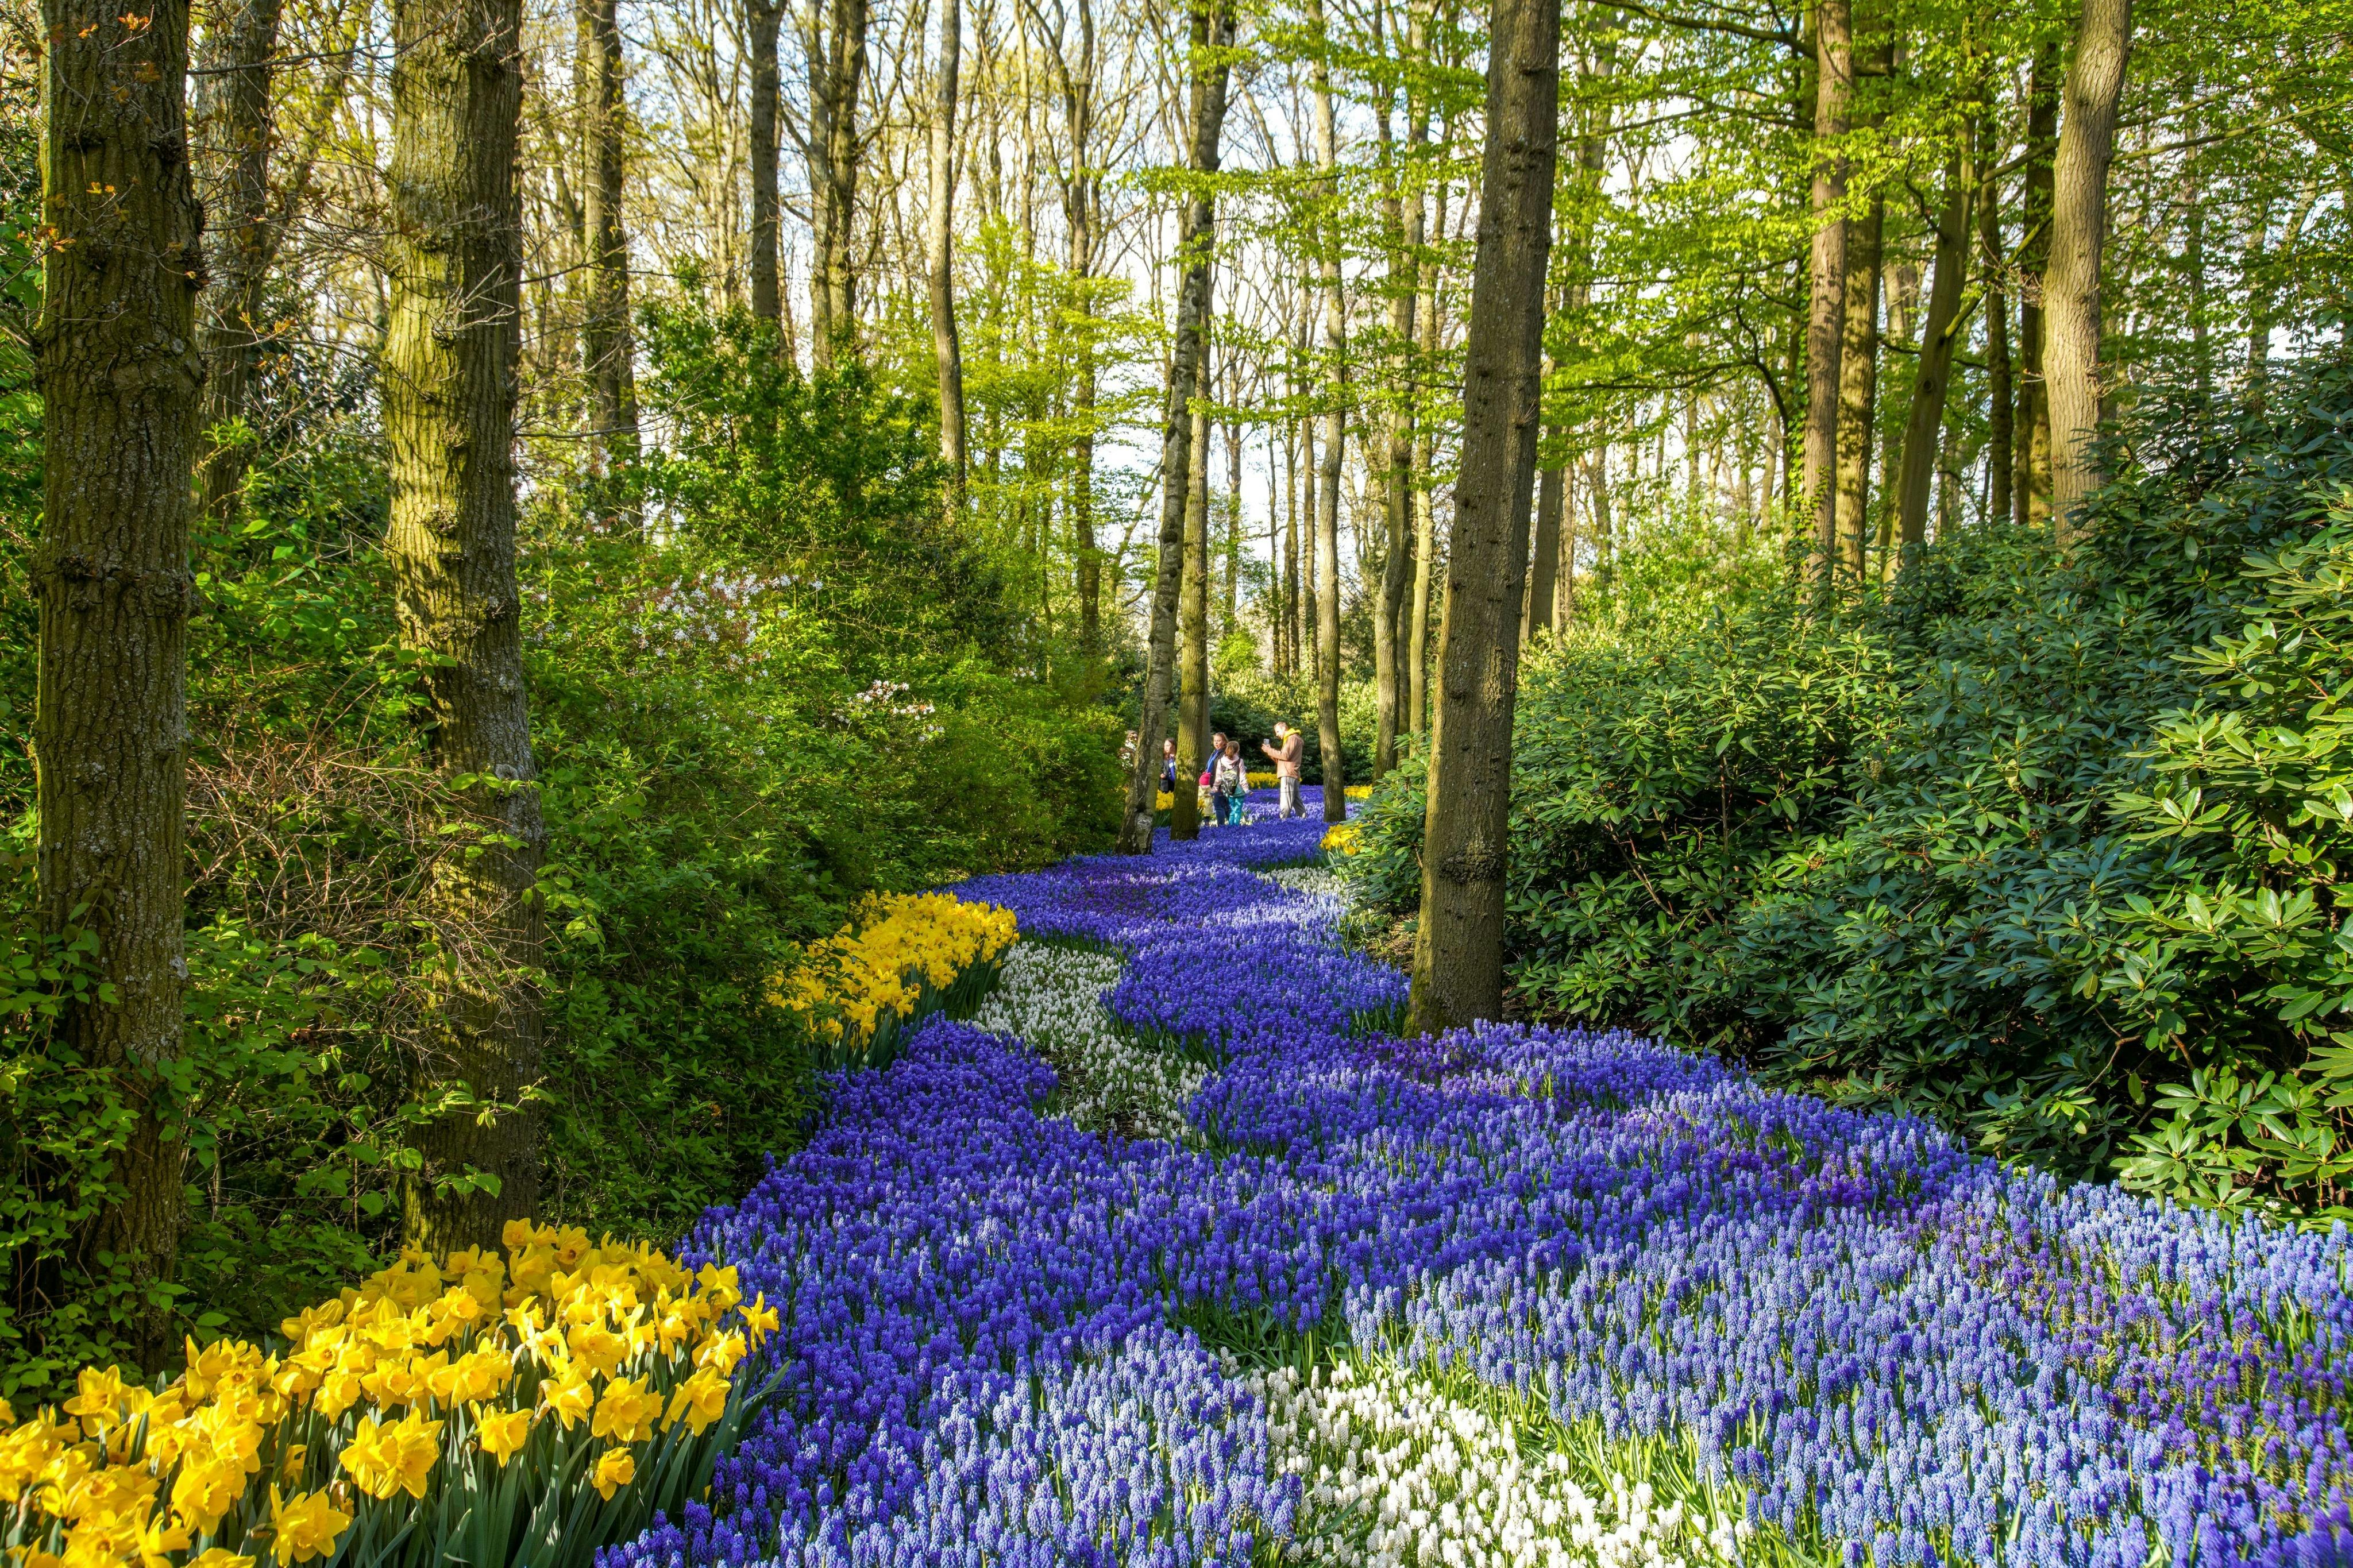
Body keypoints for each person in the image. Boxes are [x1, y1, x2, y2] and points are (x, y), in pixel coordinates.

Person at [1262, 721, 1305, 819]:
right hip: (1291, 773)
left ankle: (1284, 822)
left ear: (1284, 729)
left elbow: (1285, 756)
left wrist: (1270, 751)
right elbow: (1282, 760)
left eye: (1278, 731)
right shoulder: (1291, 739)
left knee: (1286, 802)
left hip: (1288, 774)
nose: (1277, 735)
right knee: (1297, 802)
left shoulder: (1292, 738)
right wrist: (1269, 752)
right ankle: (1305, 821)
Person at [1212, 737, 1248, 825]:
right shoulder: (1240, 761)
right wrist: (1247, 789)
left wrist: (1214, 789)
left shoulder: (1221, 761)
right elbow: (1242, 777)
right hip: (1239, 790)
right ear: (1237, 750)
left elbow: (1218, 778)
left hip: (1228, 790)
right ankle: (1236, 827)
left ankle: (1230, 827)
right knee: (1237, 810)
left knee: (1232, 809)